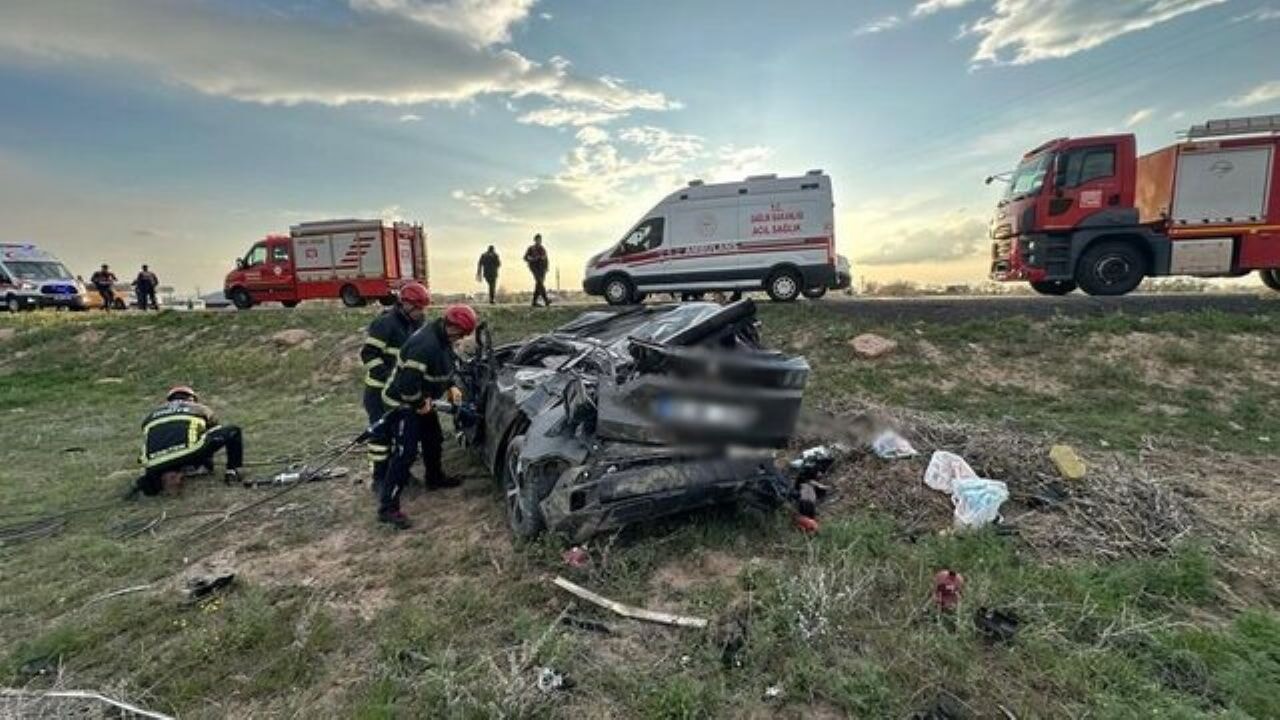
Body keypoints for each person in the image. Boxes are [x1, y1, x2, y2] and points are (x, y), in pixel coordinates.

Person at [376, 304, 478, 529]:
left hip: (422, 398)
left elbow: (443, 364)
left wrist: (450, 385)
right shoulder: (424, 345)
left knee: (433, 438)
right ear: (451, 326)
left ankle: (434, 478)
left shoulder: (442, 337)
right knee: (406, 453)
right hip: (402, 402)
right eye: (460, 333)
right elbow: (407, 385)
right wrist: (420, 403)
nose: (461, 338)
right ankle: (387, 508)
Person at [359, 282, 429, 489]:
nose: (421, 312)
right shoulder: (385, 324)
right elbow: (368, 354)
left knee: (402, 434)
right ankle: (380, 478)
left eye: (423, 308)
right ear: (405, 304)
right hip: (378, 391)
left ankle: (400, 475)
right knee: (380, 436)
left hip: (399, 392)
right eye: (417, 308)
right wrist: (389, 377)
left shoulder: (417, 324)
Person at [135, 386, 245, 496]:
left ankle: (163, 475)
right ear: (191, 398)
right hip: (188, 453)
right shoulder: (198, 408)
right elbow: (214, 428)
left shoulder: (151, 415)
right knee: (233, 431)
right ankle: (232, 471)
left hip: (153, 462)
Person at [523, 234, 551, 307]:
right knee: (539, 282)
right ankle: (546, 300)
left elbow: (546, 259)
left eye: (540, 240)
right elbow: (525, 257)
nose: (539, 241)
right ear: (535, 240)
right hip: (534, 267)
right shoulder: (531, 248)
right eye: (537, 240)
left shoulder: (543, 249)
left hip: (542, 268)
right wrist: (532, 258)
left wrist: (547, 267)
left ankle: (534, 302)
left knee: (538, 285)